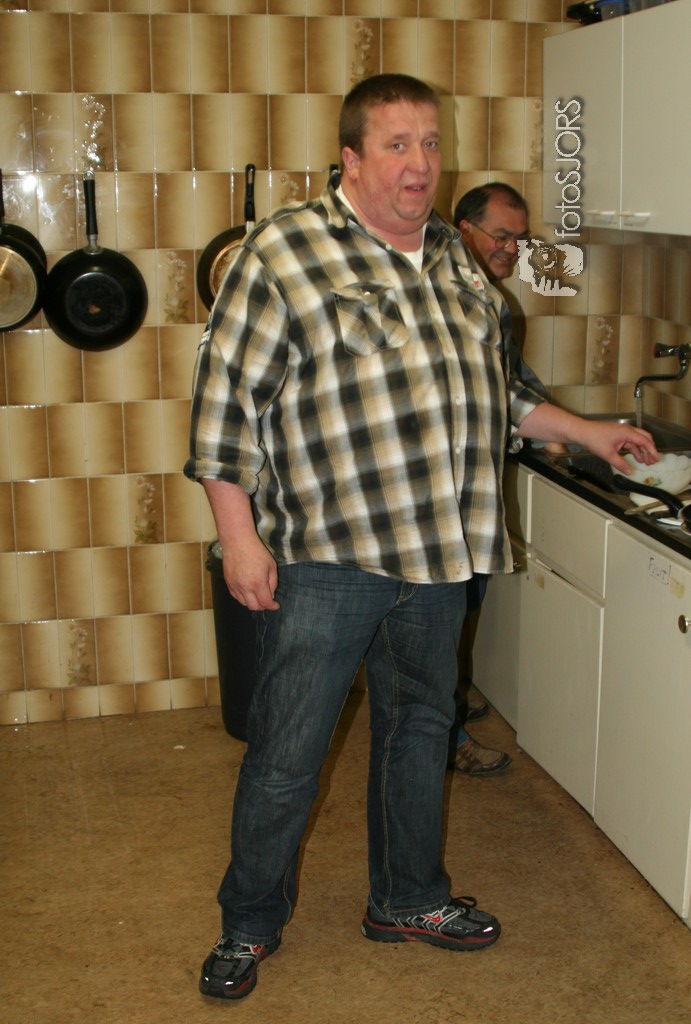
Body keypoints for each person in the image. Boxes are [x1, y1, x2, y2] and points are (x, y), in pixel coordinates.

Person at [185, 74, 657, 1002]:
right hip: (330, 555)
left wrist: (587, 432)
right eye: (396, 144)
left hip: (439, 554)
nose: (419, 164)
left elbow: (499, 392)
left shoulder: (452, 256)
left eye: (430, 143)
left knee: (417, 732)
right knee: (288, 751)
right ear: (350, 159)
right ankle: (248, 922)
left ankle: (406, 898)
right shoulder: (284, 252)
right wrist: (239, 539)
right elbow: (223, 410)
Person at [448, 182, 547, 776]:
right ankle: (448, 735)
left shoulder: (492, 300)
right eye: (502, 236)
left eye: (520, 239)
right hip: (449, 499)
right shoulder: (455, 299)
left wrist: (557, 428)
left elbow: (512, 382)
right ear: (464, 231)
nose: (512, 248)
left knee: (462, 611)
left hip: (474, 493)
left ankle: (449, 704)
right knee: (445, 619)